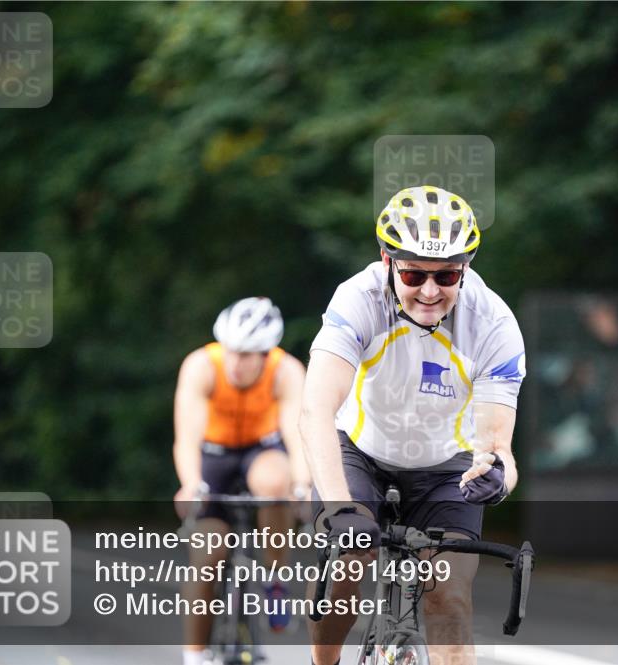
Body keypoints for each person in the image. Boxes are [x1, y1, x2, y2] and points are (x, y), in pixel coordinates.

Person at [300, 186, 527, 665]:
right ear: (386, 260)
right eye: (413, 273)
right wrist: (341, 509)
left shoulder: (494, 325)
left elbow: (498, 449)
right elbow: (315, 411)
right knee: (350, 558)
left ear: (465, 269)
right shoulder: (357, 299)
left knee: (450, 596)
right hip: (359, 449)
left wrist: (495, 477)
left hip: (446, 468)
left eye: (446, 275)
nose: (429, 290)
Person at [172, 297, 311, 665]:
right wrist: (190, 485)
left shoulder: (286, 371)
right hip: (213, 459)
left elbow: (298, 435)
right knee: (208, 556)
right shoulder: (202, 365)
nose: (237, 362)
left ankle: (275, 580)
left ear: (267, 353)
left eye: (249, 354)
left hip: (260, 451)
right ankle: (194, 654)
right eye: (232, 351)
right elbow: (186, 438)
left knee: (276, 480)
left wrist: (302, 484)